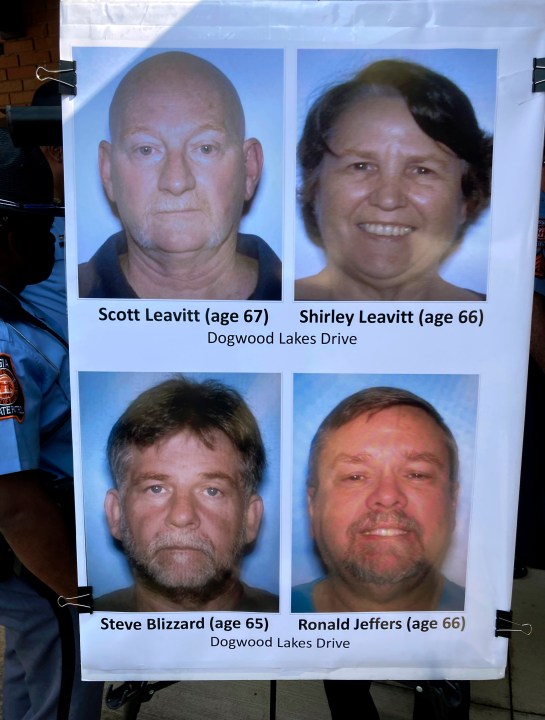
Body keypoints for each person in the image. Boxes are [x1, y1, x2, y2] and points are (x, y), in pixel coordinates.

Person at [0, 130, 102, 719]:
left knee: (27, 681)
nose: (56, 240)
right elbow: (12, 500)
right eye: (45, 230)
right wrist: (79, 596)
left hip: (26, 574)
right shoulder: (3, 345)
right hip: (38, 570)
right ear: (10, 239)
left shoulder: (11, 309)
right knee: (64, 701)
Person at [78, 51, 281, 300]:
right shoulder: (61, 310)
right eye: (146, 150)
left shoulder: (314, 307)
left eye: (205, 148)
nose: (176, 182)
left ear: (249, 168)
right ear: (108, 171)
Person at [295, 59, 492, 301]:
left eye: (422, 170)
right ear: (314, 188)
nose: (388, 199)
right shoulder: (263, 318)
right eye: (361, 166)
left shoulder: (519, 329)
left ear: (466, 201)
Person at [96, 376, 278, 612]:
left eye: (212, 491)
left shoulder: (296, 628)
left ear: (250, 519)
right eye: (156, 489)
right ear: (115, 513)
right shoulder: (78, 632)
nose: (182, 516)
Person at [292, 386, 464, 612]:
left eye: (416, 474)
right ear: (312, 507)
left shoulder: (489, 627)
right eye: (355, 476)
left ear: (452, 503)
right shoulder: (271, 619)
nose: (387, 496)